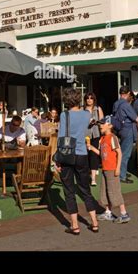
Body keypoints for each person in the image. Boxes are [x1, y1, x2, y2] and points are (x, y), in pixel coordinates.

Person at [56, 88, 100, 235]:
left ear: (66, 101)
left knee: (69, 191)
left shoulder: (64, 115)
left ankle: (75, 225)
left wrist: (57, 160)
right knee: (85, 189)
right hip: (82, 154)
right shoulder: (86, 114)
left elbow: (61, 137)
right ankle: (94, 222)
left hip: (67, 155)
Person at [88, 116, 131, 223]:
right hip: (105, 169)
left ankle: (124, 213)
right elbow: (101, 154)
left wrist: (118, 168)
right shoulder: (102, 139)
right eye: (100, 124)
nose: (100, 126)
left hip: (112, 169)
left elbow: (119, 153)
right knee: (105, 191)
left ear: (110, 126)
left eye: (102, 124)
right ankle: (108, 212)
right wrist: (92, 148)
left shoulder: (112, 137)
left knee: (114, 191)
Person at [112, 86, 138, 183]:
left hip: (119, 130)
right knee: (125, 154)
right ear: (127, 94)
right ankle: (122, 176)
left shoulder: (116, 103)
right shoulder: (126, 105)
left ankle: (120, 172)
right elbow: (136, 118)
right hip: (127, 130)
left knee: (120, 152)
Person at [84, 92, 104, 186]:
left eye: (91, 98)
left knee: (94, 155)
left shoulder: (98, 109)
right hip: (85, 135)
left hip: (95, 135)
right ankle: (86, 175)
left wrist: (96, 122)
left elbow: (102, 122)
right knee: (85, 155)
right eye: (87, 98)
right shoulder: (82, 109)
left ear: (94, 99)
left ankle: (93, 179)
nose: (89, 100)